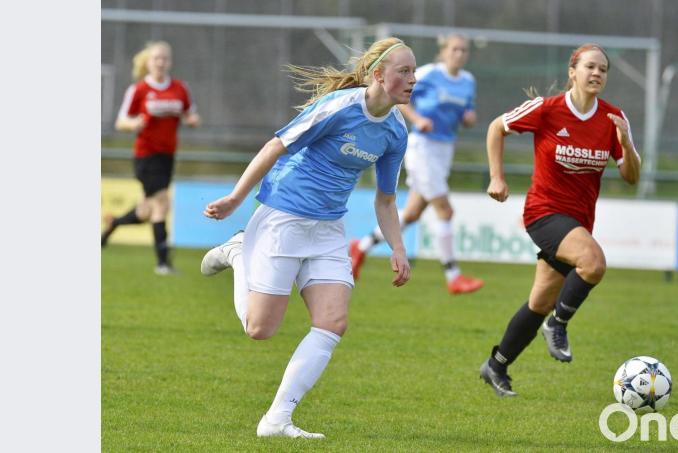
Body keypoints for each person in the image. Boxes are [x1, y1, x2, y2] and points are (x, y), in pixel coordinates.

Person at [199, 37, 414, 438]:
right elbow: (276, 145)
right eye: (404, 71)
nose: (412, 79)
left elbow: (386, 200)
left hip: (328, 227)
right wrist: (235, 197)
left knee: (333, 321)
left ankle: (277, 420)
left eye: (414, 72)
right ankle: (237, 252)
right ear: (378, 75)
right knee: (259, 329)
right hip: (284, 216)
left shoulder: (396, 132)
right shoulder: (340, 108)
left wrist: (398, 249)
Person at [478, 44, 641, 397]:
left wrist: (626, 144)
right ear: (573, 71)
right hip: (544, 212)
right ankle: (558, 325)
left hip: (579, 221)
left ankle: (496, 365)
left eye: (603, 69)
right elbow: (496, 127)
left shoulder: (614, 118)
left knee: (539, 301)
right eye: (590, 67)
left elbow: (631, 177)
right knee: (593, 263)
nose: (597, 73)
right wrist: (497, 177)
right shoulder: (547, 109)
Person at [349, 34, 484, 295]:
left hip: (445, 149)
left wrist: (468, 117)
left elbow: (468, 111)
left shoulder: (468, 81)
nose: (460, 54)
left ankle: (360, 246)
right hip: (423, 148)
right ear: (444, 51)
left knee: (410, 214)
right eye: (455, 49)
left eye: (464, 50)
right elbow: (400, 99)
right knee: (445, 211)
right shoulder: (428, 74)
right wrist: (418, 118)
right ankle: (453, 276)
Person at [101, 41, 201, 275]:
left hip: (167, 156)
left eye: (165, 58)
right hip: (145, 155)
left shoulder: (180, 88)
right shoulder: (138, 90)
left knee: (146, 212)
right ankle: (163, 263)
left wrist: (193, 120)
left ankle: (113, 225)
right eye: (156, 58)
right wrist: (135, 123)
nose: (161, 62)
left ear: (170, 62)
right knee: (162, 202)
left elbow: (191, 114)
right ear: (148, 62)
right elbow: (121, 122)